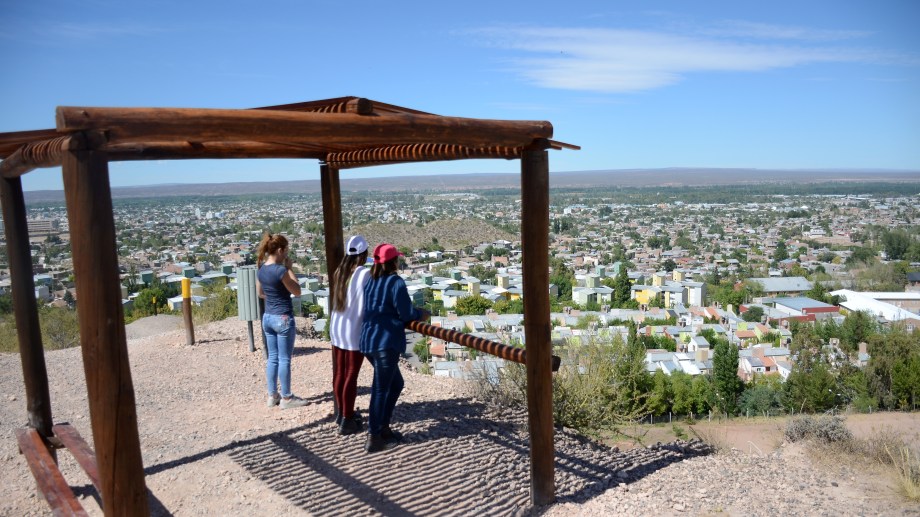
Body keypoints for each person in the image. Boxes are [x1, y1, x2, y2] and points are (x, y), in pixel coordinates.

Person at [360, 243, 429, 453]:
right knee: (381, 389)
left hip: (368, 341)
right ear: (394, 262)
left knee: (396, 383)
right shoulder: (395, 283)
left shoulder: (371, 281)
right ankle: (374, 436)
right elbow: (406, 313)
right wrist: (421, 314)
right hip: (385, 343)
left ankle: (384, 428)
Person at [257, 232, 307, 409]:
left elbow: (260, 293)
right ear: (279, 250)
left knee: (272, 358)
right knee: (284, 359)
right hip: (283, 317)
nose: (287, 254)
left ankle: (272, 396)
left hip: (268, 317)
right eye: (286, 251)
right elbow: (297, 291)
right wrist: (290, 268)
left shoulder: (261, 269)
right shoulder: (281, 271)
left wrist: (273, 296)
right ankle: (287, 398)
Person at [329, 235, 370, 435]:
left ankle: (341, 413)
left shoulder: (340, 271)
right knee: (351, 375)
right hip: (353, 329)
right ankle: (347, 418)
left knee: (340, 373)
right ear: (364, 254)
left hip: (337, 327)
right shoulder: (365, 274)